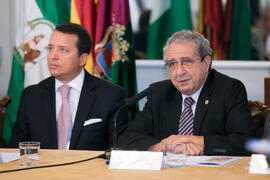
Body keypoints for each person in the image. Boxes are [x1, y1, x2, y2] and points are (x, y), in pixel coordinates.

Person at [119, 30, 256, 156]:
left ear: (206, 62)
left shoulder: (228, 89)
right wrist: (161, 147)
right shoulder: (159, 93)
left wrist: (191, 140)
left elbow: (246, 142)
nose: (179, 72)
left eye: (187, 61)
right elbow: (128, 137)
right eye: (172, 63)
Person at [9, 23, 129, 150]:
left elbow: (121, 150)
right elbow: (17, 150)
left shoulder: (110, 96)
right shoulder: (32, 96)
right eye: (50, 48)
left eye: (63, 50)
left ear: (82, 59)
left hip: (89, 169)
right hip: (42, 169)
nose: (53, 56)